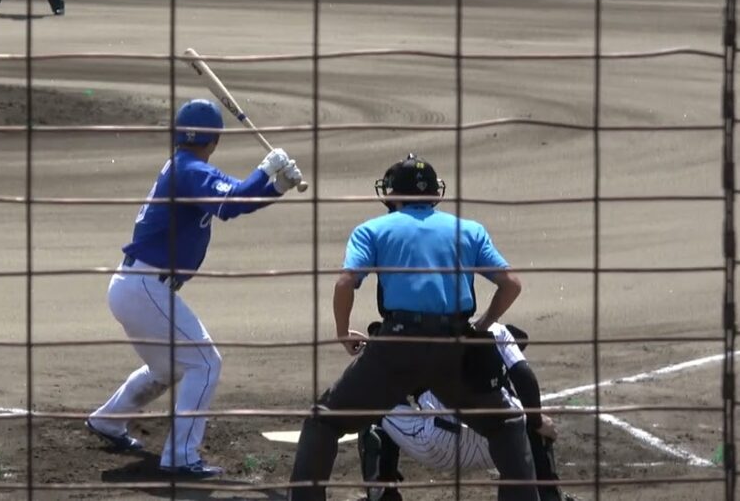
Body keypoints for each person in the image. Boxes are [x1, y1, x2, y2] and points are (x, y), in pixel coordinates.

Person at [288, 153, 539, 501]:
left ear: (393, 194)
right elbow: (511, 284)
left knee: (325, 420)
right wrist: (481, 325)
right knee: (506, 424)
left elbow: (345, 283)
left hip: (397, 348)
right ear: (435, 193)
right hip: (454, 348)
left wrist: (343, 331)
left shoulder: (373, 230)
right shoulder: (468, 230)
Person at [87, 99, 304, 478]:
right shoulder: (189, 171)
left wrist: (275, 187)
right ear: (215, 139)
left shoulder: (184, 168)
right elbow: (231, 203)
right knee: (205, 363)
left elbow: (236, 196)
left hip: (135, 286)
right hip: (145, 288)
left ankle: (108, 420)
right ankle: (181, 457)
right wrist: (265, 171)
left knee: (166, 367)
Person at [358, 322, 579, 501]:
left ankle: (382, 494)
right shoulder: (494, 330)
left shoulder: (418, 339)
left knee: (371, 399)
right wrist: (537, 421)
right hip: (499, 444)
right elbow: (525, 377)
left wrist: (372, 346)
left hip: (437, 446)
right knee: (529, 418)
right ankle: (548, 495)